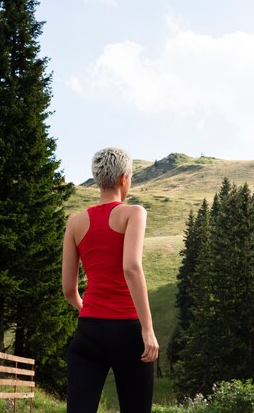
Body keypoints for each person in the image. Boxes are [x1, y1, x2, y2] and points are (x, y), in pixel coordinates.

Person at [62, 147, 159, 413]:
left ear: (98, 179)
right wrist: (148, 330)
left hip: (89, 330)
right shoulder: (133, 213)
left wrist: (91, 312)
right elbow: (131, 267)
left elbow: (69, 290)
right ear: (124, 178)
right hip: (127, 330)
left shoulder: (76, 223)